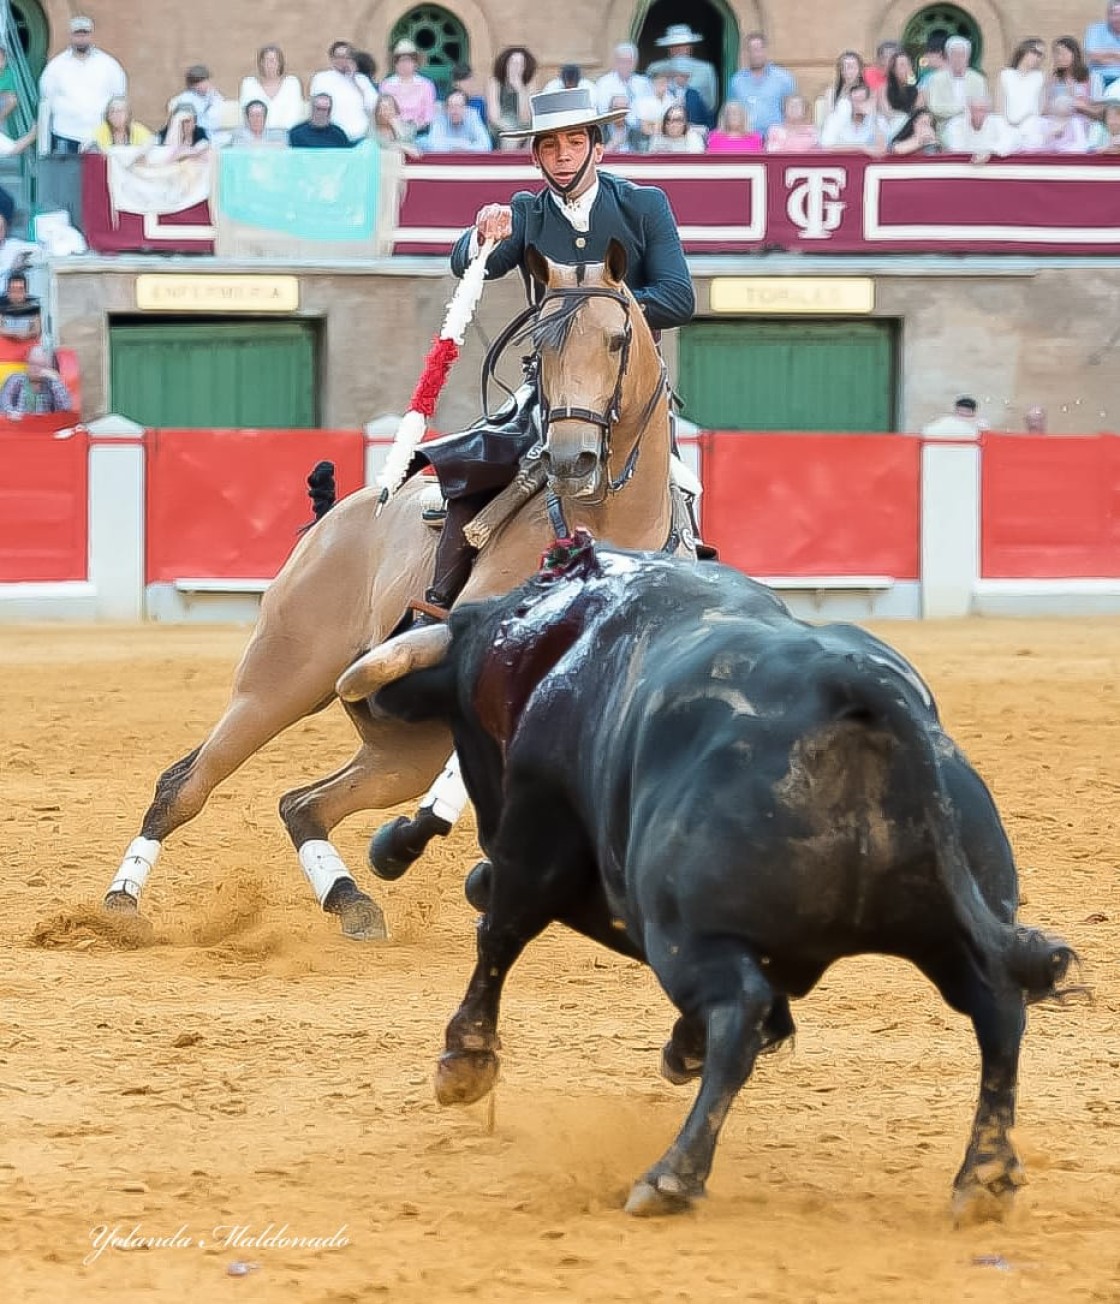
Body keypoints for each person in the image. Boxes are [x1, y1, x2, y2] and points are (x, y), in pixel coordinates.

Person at [412, 86, 696, 621]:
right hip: (550, 383)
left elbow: (679, 298)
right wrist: (482, 234)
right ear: (535, 156)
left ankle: (689, 564)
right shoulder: (526, 212)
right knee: (476, 470)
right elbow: (465, 265)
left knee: (678, 483)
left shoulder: (643, 204)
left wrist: (603, 312)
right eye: (548, 146)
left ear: (598, 147)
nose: (562, 155)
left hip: (628, 387)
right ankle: (438, 601)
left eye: (573, 141)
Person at [39, 15, 127, 154]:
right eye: (77, 34)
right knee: (66, 176)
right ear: (70, 35)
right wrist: (43, 148)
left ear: (91, 34)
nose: (81, 38)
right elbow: (46, 101)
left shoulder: (109, 65)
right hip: (65, 135)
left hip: (100, 137)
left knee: (98, 175)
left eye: (85, 33)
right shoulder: (55, 67)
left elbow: (119, 100)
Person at [730, 31, 796, 137]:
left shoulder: (784, 78)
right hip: (746, 139)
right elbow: (731, 111)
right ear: (745, 53)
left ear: (765, 51)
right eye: (750, 50)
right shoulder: (736, 81)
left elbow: (792, 111)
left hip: (776, 140)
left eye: (758, 50)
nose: (755, 54)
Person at [309, 41, 377, 142]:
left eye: (346, 57)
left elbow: (373, 105)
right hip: (331, 136)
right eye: (338, 56)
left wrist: (354, 79)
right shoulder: (321, 78)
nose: (342, 60)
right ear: (332, 59)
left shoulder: (361, 79)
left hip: (361, 136)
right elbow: (317, 105)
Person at [926, 35, 988, 135]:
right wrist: (962, 109)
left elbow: (983, 106)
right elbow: (935, 107)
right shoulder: (936, 79)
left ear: (968, 58)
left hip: (973, 128)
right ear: (948, 57)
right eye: (954, 54)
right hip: (945, 128)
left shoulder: (978, 80)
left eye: (962, 55)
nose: (958, 59)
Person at [655, 23, 718, 116]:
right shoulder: (656, 69)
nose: (679, 49)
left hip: (697, 122)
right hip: (665, 122)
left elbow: (711, 104)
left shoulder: (706, 69)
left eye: (684, 45)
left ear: (690, 48)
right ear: (669, 49)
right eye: (674, 46)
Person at [239, 44, 304, 131]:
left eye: (274, 60)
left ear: (280, 63)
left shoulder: (292, 84)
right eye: (267, 60)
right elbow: (246, 113)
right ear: (261, 63)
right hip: (258, 138)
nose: (270, 65)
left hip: (286, 135)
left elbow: (295, 113)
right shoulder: (249, 84)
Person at [379, 40, 437, 136]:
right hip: (393, 132)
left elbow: (429, 116)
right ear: (395, 64)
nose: (404, 64)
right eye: (400, 61)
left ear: (415, 63)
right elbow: (383, 112)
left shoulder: (426, 85)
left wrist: (413, 127)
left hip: (419, 133)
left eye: (408, 61)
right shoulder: (386, 85)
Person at [0, 345, 74, 418]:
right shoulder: (16, 380)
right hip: (18, 426)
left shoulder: (51, 384)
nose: (35, 368)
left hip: (45, 427)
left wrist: (56, 380)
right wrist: (11, 413)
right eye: (32, 364)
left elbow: (66, 408)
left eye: (41, 365)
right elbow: (3, 402)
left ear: (47, 368)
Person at [487, 46, 536, 147]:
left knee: (534, 141)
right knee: (510, 140)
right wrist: (513, 133)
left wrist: (520, 90)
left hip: (524, 127)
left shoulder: (529, 85)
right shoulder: (495, 83)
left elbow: (525, 119)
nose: (516, 68)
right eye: (513, 63)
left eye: (520, 65)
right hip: (501, 127)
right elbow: (494, 117)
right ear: (506, 65)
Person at [820, 83, 888, 152]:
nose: (858, 106)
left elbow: (882, 148)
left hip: (865, 161)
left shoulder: (877, 118)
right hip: (840, 160)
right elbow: (826, 146)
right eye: (855, 100)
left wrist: (874, 117)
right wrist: (860, 147)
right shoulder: (838, 116)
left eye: (863, 100)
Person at [943, 95, 1016, 157]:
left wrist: (989, 153)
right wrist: (980, 154)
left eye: (982, 110)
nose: (978, 114)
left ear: (988, 111)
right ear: (968, 110)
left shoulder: (998, 121)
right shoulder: (956, 124)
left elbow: (1008, 142)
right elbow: (955, 148)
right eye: (974, 109)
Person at [422, 90, 492, 152]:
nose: (455, 111)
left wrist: (451, 145)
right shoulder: (440, 115)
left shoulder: (472, 115)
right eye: (451, 106)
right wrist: (465, 144)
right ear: (445, 109)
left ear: (466, 108)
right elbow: (433, 145)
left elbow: (486, 146)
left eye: (459, 106)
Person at [999, 39, 1046, 131]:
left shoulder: (1040, 77)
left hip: (1032, 127)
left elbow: (1041, 107)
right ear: (1024, 50)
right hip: (1007, 128)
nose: (1037, 57)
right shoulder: (1005, 75)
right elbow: (999, 107)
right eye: (1034, 52)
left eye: (1040, 55)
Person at [595, 42, 650, 117]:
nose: (626, 65)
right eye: (622, 61)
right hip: (615, 125)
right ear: (616, 62)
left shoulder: (643, 83)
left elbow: (649, 110)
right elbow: (603, 112)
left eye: (629, 61)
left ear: (635, 63)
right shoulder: (604, 83)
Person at [1044, 37, 1093, 114]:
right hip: (1055, 118)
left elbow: (1093, 107)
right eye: (1057, 53)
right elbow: (1045, 107)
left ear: (1075, 54)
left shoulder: (1089, 77)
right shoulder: (1053, 78)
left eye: (1064, 53)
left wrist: (1072, 99)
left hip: (1080, 118)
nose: (1060, 57)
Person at [83, 95, 151, 150]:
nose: (115, 115)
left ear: (127, 114)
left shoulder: (139, 131)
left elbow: (149, 151)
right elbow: (89, 150)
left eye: (119, 111)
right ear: (107, 116)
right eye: (112, 112)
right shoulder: (100, 131)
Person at [173, 65, 225, 136]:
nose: (203, 85)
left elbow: (219, 113)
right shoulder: (185, 98)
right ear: (192, 85)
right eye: (199, 83)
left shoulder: (213, 94)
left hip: (214, 132)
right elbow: (186, 123)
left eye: (205, 81)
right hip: (194, 134)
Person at [880, 50, 922, 135]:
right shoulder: (884, 88)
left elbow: (916, 112)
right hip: (889, 125)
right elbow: (886, 111)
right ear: (893, 70)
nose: (907, 68)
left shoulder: (917, 90)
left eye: (909, 64)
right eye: (902, 65)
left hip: (909, 127)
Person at [289, 92, 353, 148]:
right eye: (318, 109)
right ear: (312, 109)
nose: (321, 113)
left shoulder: (338, 134)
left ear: (330, 112)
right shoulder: (296, 133)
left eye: (324, 109)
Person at [0, 270, 41, 357]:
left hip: (28, 354)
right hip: (4, 353)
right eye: (13, 289)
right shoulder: (1, 305)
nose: (16, 293)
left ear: (26, 292)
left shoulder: (33, 306)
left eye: (20, 289)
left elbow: (37, 330)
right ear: (8, 292)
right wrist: (14, 334)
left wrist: (27, 334)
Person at [1085, 1, 1120, 92]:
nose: (1117, 18)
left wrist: (1105, 55)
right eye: (1114, 14)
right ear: (1108, 15)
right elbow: (1093, 56)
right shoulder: (1095, 29)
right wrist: (1116, 54)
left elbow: (1098, 57)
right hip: (1100, 78)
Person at [0, 44, 19, 137]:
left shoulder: (9, 74)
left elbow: (11, 95)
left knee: (12, 100)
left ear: (5, 61)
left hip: (2, 103)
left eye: (1, 60)